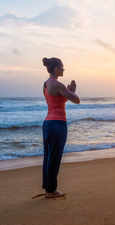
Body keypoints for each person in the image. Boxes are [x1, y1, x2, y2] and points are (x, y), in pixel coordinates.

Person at [40, 57, 80, 199]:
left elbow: (57, 100)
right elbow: (76, 100)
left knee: (48, 156)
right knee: (55, 157)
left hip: (48, 124)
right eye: (62, 67)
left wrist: (68, 91)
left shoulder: (46, 84)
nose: (63, 69)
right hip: (58, 124)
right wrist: (72, 91)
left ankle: (48, 188)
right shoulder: (57, 84)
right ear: (56, 68)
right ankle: (51, 191)